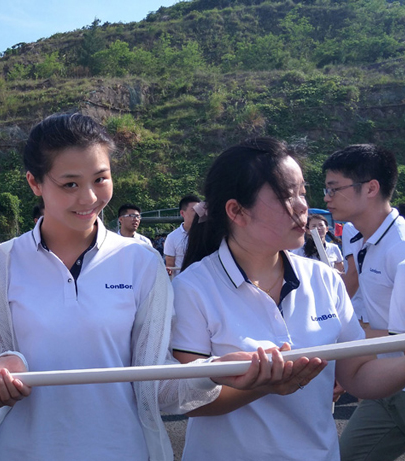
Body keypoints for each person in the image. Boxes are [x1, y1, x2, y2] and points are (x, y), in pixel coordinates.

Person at [0, 114, 301, 461]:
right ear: (35, 183)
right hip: (23, 451)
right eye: (70, 184)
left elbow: (157, 387)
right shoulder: (0, 264)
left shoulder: (141, 262)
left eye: (100, 179)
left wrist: (214, 372)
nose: (89, 197)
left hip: (125, 449)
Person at [171, 137, 405, 460]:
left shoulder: (323, 278)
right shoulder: (193, 288)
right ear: (237, 211)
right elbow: (188, 400)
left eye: (302, 193)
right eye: (286, 195)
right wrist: (264, 385)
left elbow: (358, 374)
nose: (302, 206)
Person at [322, 144, 405, 460]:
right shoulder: (360, 238)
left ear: (371, 188)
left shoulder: (400, 249)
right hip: (385, 387)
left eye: (334, 189)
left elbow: (400, 339)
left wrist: (344, 350)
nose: (327, 198)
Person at [164, 194, 200, 276]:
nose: (198, 213)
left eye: (199, 209)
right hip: (182, 280)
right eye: (194, 210)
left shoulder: (207, 235)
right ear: (182, 213)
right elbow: (170, 266)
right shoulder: (172, 237)